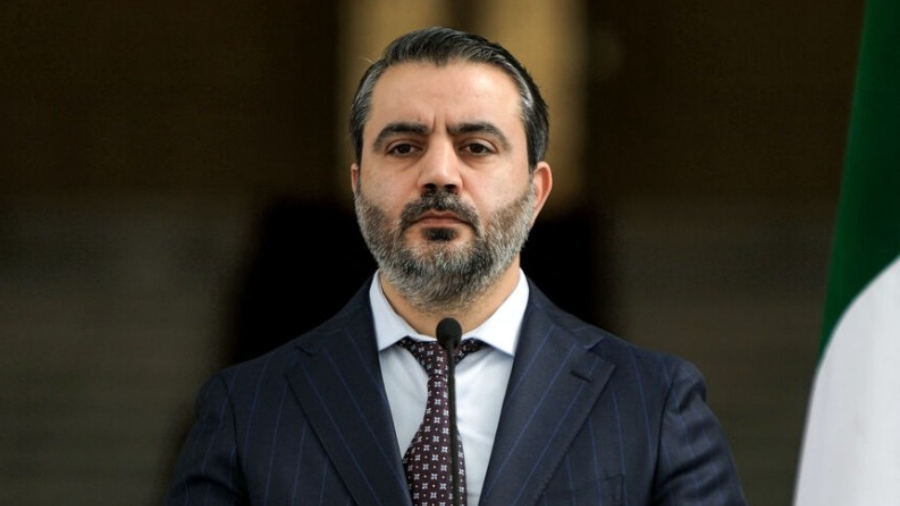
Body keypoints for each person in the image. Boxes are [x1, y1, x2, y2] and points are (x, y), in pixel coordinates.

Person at [166, 26, 747, 506]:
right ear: (357, 185)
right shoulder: (246, 410)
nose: (439, 174)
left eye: (476, 147)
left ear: (537, 192)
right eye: (403, 147)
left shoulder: (653, 403)